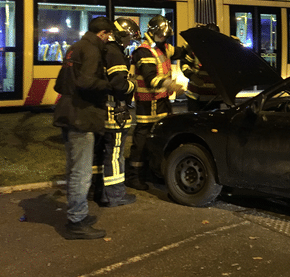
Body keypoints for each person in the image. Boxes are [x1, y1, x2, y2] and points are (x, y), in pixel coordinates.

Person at [53, 16, 114, 240]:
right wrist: (109, 85)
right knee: (81, 171)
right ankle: (77, 220)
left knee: (73, 168)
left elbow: (60, 83)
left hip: (67, 112)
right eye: (108, 35)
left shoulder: (74, 47)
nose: (109, 39)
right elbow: (85, 82)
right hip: (82, 115)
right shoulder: (92, 50)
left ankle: (76, 213)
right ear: (102, 33)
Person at [127, 15, 185, 190]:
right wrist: (170, 84)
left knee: (159, 138)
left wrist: (195, 46)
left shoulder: (163, 47)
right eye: (161, 35)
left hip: (162, 102)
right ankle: (134, 176)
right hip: (147, 104)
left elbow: (180, 52)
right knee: (142, 141)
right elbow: (151, 79)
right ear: (152, 33)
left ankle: (153, 172)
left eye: (166, 36)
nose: (164, 39)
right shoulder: (144, 52)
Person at [93, 17, 141, 207]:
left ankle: (100, 192)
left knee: (101, 153)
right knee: (114, 155)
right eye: (128, 38)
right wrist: (133, 84)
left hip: (102, 110)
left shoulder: (104, 50)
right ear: (120, 36)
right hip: (115, 112)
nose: (129, 42)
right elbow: (119, 85)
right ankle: (115, 195)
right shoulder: (115, 52)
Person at [181, 23, 222, 111]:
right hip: (195, 96)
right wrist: (192, 76)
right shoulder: (196, 49)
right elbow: (185, 64)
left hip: (214, 98)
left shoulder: (221, 52)